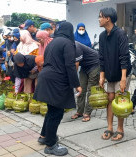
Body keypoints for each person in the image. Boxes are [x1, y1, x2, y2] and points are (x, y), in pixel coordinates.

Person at [33, 22, 82, 156]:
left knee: (52, 110)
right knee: (57, 113)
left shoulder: (53, 42)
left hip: (46, 77)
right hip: (57, 81)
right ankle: (50, 145)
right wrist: (76, 84)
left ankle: (44, 137)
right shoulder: (68, 43)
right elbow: (70, 66)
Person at [99, 8, 131, 141]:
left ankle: (120, 129)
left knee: (120, 101)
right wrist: (102, 76)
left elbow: (124, 56)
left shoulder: (120, 34)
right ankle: (110, 127)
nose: (99, 19)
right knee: (110, 99)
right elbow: (101, 57)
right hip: (110, 74)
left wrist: (123, 78)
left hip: (122, 73)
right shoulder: (102, 36)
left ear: (108, 18)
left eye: (100, 17)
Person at [71, 41, 100, 122]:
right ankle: (79, 111)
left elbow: (75, 66)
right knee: (81, 88)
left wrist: (73, 80)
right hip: (84, 66)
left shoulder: (76, 47)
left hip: (94, 64)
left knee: (91, 90)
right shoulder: (66, 47)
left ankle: (87, 112)